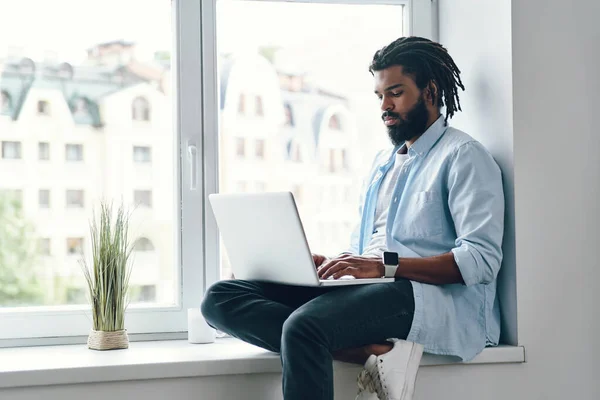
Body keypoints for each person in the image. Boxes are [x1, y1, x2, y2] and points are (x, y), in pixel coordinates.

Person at [201, 36, 505, 400]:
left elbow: (481, 261)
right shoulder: (382, 164)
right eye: (380, 96)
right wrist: (328, 266)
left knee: (303, 327)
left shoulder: (464, 156)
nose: (385, 106)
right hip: (375, 288)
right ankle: (371, 353)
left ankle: (357, 346)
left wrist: (384, 267)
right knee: (221, 298)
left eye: (396, 93)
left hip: (424, 297)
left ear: (430, 91)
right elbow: (366, 249)